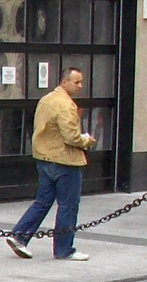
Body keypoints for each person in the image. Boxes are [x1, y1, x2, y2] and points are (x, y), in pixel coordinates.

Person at [7, 67, 97, 262]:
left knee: (43, 201)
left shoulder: (46, 99)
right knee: (68, 205)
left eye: (81, 82)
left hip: (44, 158)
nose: (80, 86)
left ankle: (19, 236)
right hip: (65, 161)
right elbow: (72, 137)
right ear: (64, 82)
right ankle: (64, 249)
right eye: (76, 82)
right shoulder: (65, 105)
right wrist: (87, 140)